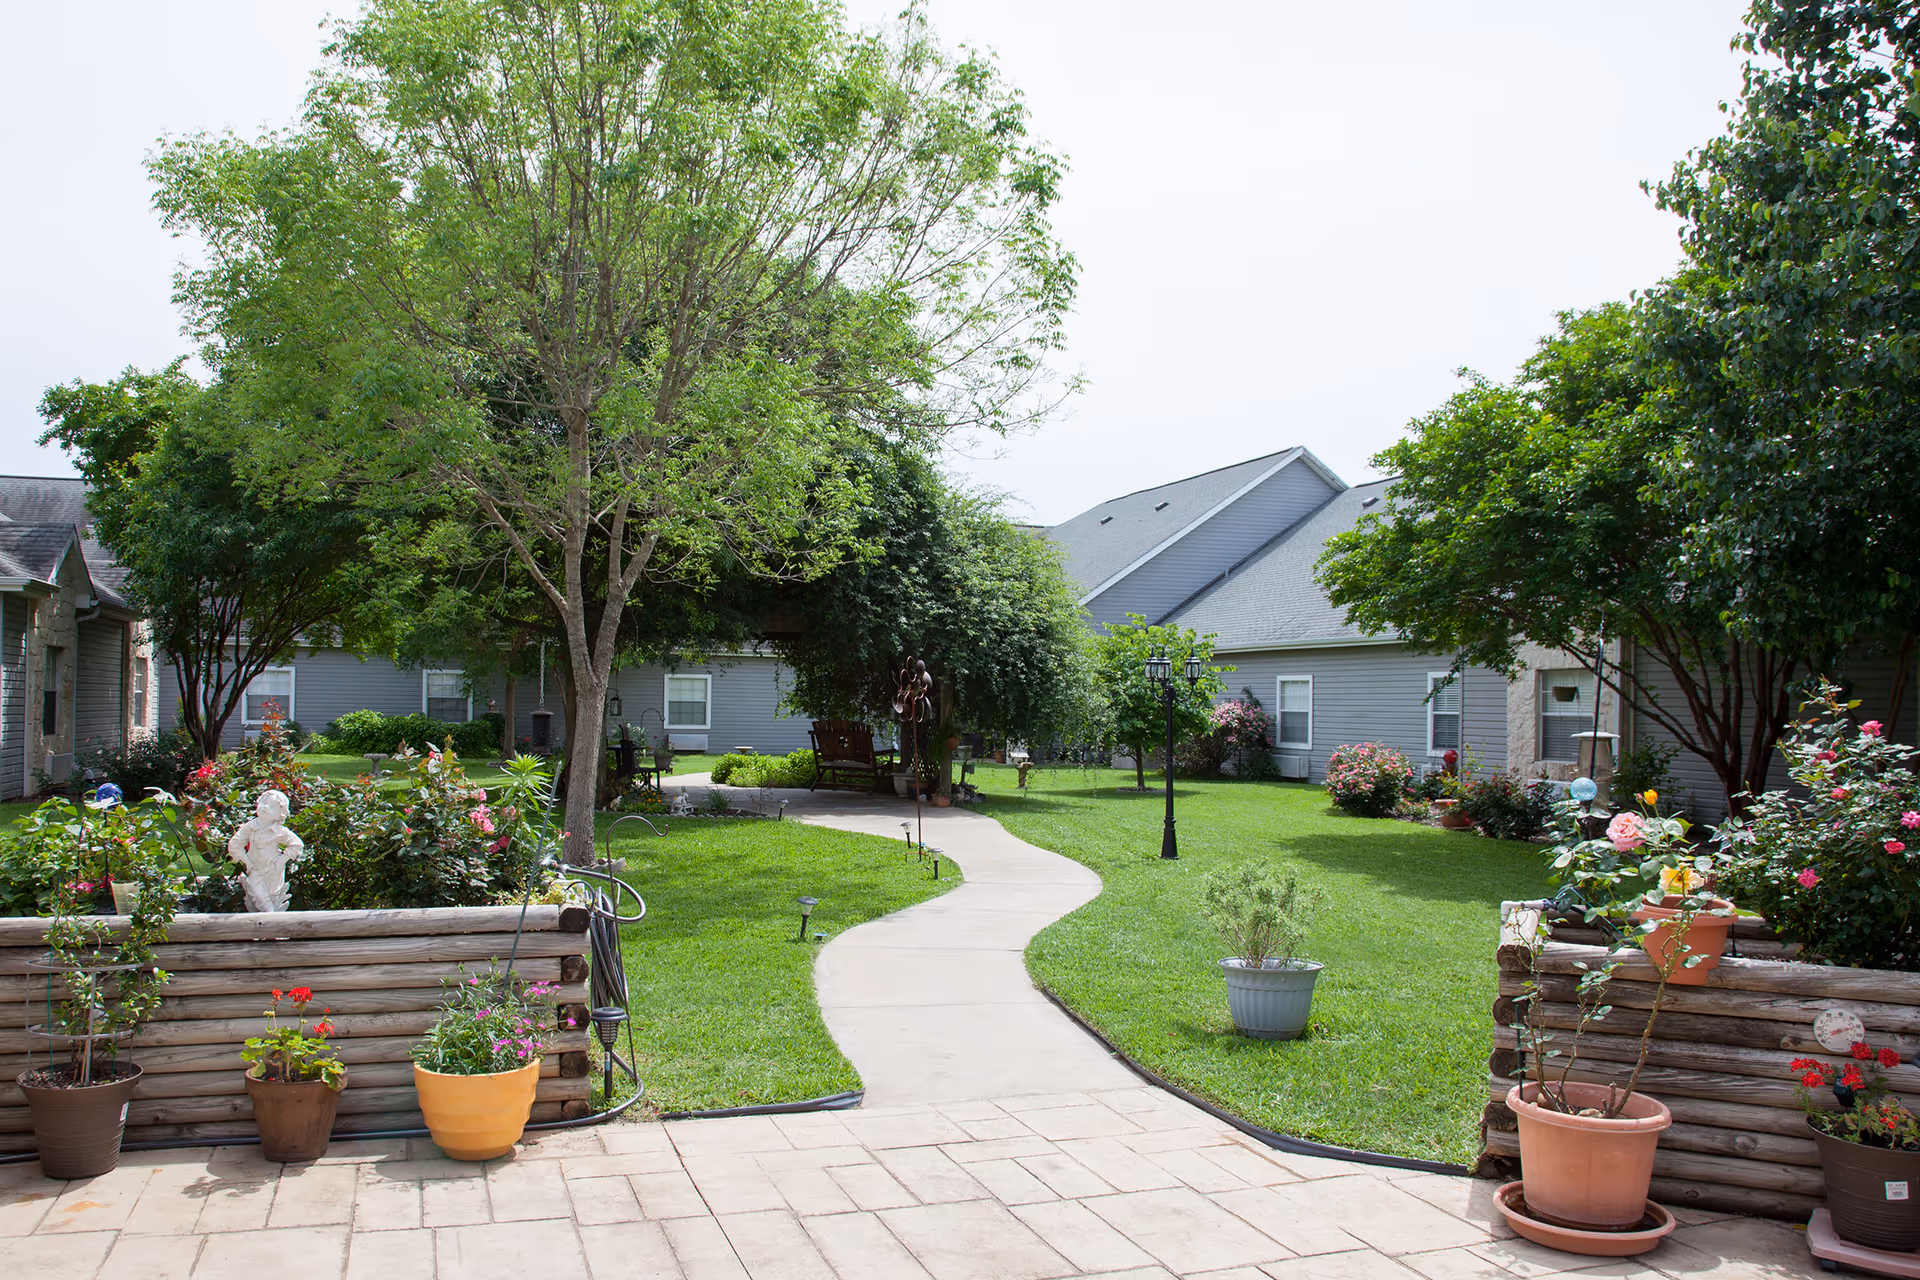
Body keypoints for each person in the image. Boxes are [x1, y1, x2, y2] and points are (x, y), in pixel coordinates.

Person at [227, 789, 305, 912]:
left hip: (273, 870)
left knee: (272, 896)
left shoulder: (280, 831)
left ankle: (267, 923)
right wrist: (246, 860)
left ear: (280, 814)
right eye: (263, 803)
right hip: (255, 869)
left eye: (272, 806)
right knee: (260, 897)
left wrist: (281, 861)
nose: (265, 807)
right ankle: (270, 921)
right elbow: (235, 843)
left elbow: (297, 844)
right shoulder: (251, 827)